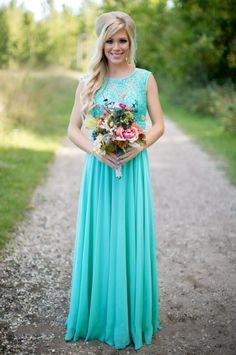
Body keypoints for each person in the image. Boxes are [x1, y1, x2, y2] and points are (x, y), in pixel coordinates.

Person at [64, 10, 165, 351]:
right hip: (100, 171)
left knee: (129, 237)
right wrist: (96, 151)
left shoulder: (144, 78)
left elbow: (158, 125)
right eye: (110, 40)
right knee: (103, 237)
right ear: (101, 42)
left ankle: (130, 315)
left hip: (132, 169)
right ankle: (100, 313)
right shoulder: (88, 81)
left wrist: (137, 146)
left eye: (122, 40)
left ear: (130, 41)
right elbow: (72, 130)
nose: (116, 47)